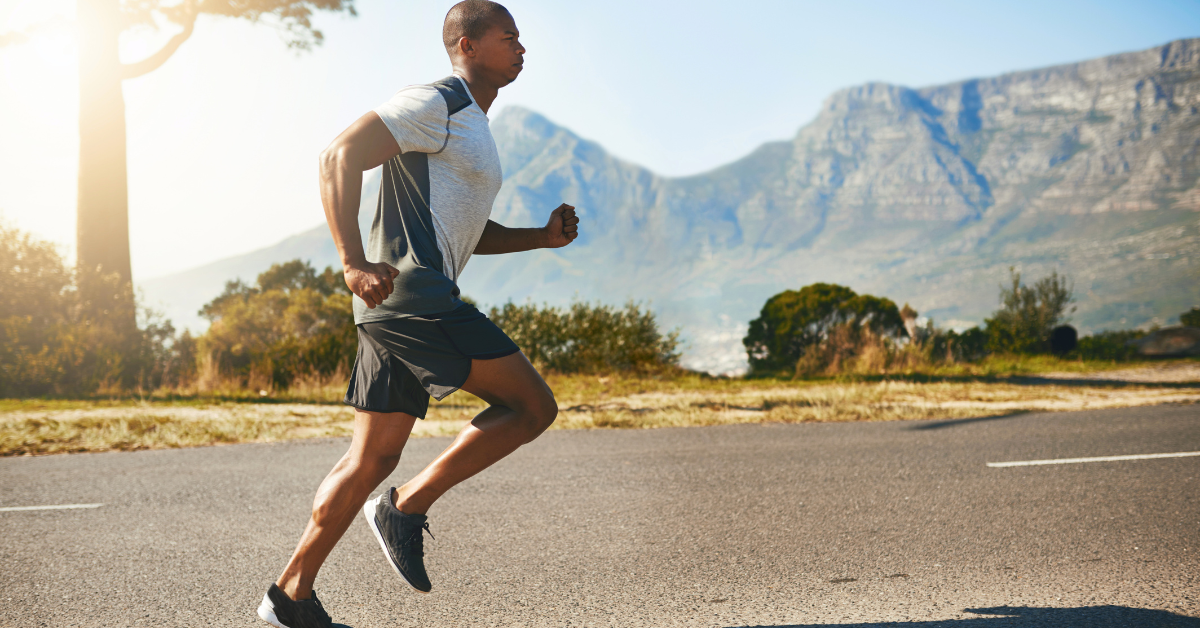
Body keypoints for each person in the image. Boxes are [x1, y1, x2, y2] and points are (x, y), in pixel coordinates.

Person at [256, 2, 579, 626]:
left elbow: (467, 232)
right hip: (413, 295)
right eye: (508, 36)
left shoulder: (471, 124)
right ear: (466, 44)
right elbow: (337, 156)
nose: (521, 47)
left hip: (392, 308)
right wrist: (351, 260)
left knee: (368, 460)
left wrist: (539, 237)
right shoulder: (439, 101)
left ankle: (288, 599)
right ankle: (405, 507)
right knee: (533, 406)